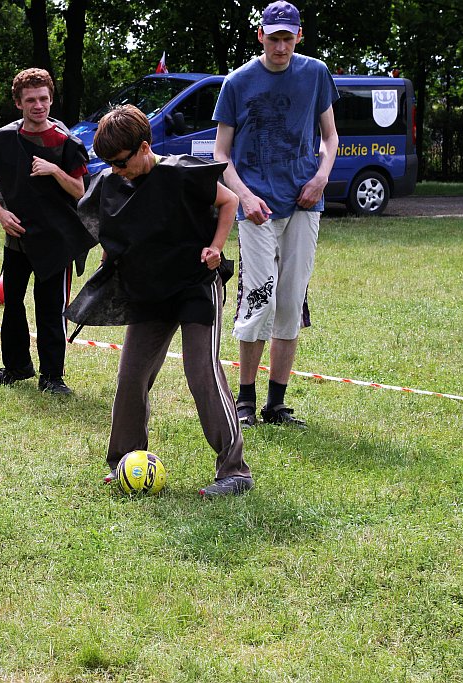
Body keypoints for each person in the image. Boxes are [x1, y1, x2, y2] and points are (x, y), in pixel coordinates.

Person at [67, 104, 252, 497]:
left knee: (200, 371)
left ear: (144, 147)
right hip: (148, 291)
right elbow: (110, 230)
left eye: (120, 162)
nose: (115, 170)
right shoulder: (110, 183)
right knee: (131, 376)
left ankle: (234, 471)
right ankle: (124, 461)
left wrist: (216, 248)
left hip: (194, 285)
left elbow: (229, 202)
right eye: (109, 164)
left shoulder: (180, 173)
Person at [212, 0, 339, 428]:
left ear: (298, 36)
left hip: (305, 203)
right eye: (274, 37)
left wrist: (321, 176)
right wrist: (244, 197)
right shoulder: (238, 82)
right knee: (259, 298)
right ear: (260, 35)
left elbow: (330, 137)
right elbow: (220, 153)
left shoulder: (316, 73)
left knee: (290, 301)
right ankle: (244, 401)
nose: (281, 47)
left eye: (288, 38)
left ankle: (276, 404)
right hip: (257, 209)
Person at [0, 68, 96, 395]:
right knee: (12, 304)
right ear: (18, 103)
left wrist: (54, 169)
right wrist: (0, 213)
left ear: (51, 99)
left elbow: (79, 190)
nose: (38, 105)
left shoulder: (65, 142)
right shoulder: (4, 139)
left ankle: (52, 378)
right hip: (16, 239)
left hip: (55, 243)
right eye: (31, 100)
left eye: (43, 98)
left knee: (50, 310)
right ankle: (16, 367)